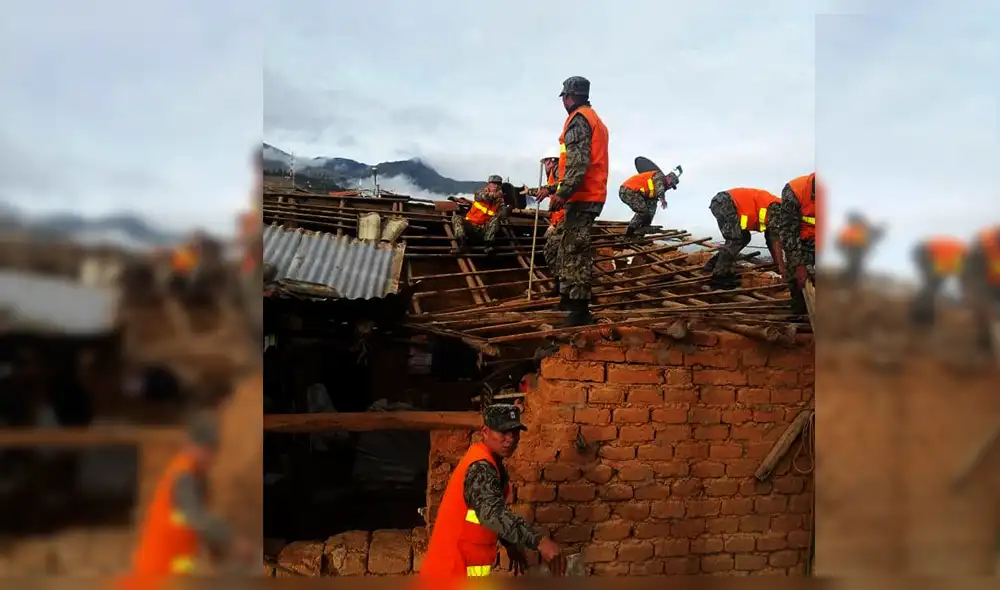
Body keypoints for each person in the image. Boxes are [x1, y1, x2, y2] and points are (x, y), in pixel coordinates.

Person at [420, 404, 564, 578]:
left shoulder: (491, 463)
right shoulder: (480, 467)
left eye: (515, 432)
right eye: (503, 432)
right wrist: (539, 541)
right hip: (451, 571)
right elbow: (492, 513)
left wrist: (509, 543)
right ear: (485, 432)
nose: (510, 439)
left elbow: (489, 511)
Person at [128, 410, 254, 578]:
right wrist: (233, 540)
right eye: (208, 451)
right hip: (160, 568)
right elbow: (197, 517)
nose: (211, 459)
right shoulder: (184, 476)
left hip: (171, 566)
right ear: (194, 446)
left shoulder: (189, 472)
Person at [548, 76, 610, 326]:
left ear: (569, 96)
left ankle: (579, 309)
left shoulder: (579, 119)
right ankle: (567, 298)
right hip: (586, 194)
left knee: (575, 251)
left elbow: (577, 162)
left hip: (582, 196)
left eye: (564, 97)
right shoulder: (594, 119)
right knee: (566, 246)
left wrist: (562, 193)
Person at [703, 187, 783, 290]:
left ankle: (713, 264)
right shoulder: (779, 209)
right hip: (725, 202)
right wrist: (781, 266)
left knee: (744, 237)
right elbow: (774, 240)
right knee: (736, 239)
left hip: (723, 203)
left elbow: (770, 239)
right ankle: (719, 277)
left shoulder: (777, 210)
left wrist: (777, 263)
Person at [774, 173, 819, 316]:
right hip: (802, 240)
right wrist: (799, 266)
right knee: (797, 279)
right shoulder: (794, 191)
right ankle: (800, 313)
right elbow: (788, 234)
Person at [522, 156, 564, 297]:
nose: (545, 165)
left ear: (550, 161)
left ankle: (561, 286)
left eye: (545, 162)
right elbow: (549, 190)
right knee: (556, 251)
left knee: (551, 251)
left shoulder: (559, 170)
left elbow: (560, 187)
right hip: (558, 219)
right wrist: (529, 191)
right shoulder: (553, 174)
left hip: (564, 219)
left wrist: (556, 224)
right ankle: (561, 285)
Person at [910, 236, 966, 325]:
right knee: (931, 286)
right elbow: (963, 283)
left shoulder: (964, 256)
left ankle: (924, 315)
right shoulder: (967, 259)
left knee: (934, 285)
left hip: (929, 254)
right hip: (927, 252)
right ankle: (921, 316)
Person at [961, 225, 1000, 353]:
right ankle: (985, 344)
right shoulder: (982, 246)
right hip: (979, 278)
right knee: (983, 308)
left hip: (994, 279)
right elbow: (972, 278)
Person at [619, 164, 680, 238]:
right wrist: (663, 199)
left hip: (636, 193)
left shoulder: (655, 188)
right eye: (671, 184)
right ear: (668, 178)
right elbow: (660, 189)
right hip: (628, 190)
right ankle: (629, 234)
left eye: (672, 186)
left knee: (651, 206)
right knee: (642, 211)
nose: (670, 187)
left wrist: (648, 222)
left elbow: (653, 204)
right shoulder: (659, 176)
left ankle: (644, 229)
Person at [453, 174, 506, 255]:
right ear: (489, 184)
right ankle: (462, 243)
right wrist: (495, 195)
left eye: (498, 184)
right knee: (456, 217)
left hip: (484, 229)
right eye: (493, 183)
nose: (496, 186)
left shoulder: (500, 200)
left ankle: (488, 246)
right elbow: (481, 196)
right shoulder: (481, 192)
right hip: (470, 225)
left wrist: (508, 208)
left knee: (496, 219)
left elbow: (503, 215)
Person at [835, 211, 884, 289]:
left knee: (854, 265)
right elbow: (844, 239)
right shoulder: (860, 227)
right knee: (855, 266)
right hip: (855, 247)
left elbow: (843, 239)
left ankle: (850, 281)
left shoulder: (859, 227)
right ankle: (850, 281)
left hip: (855, 247)